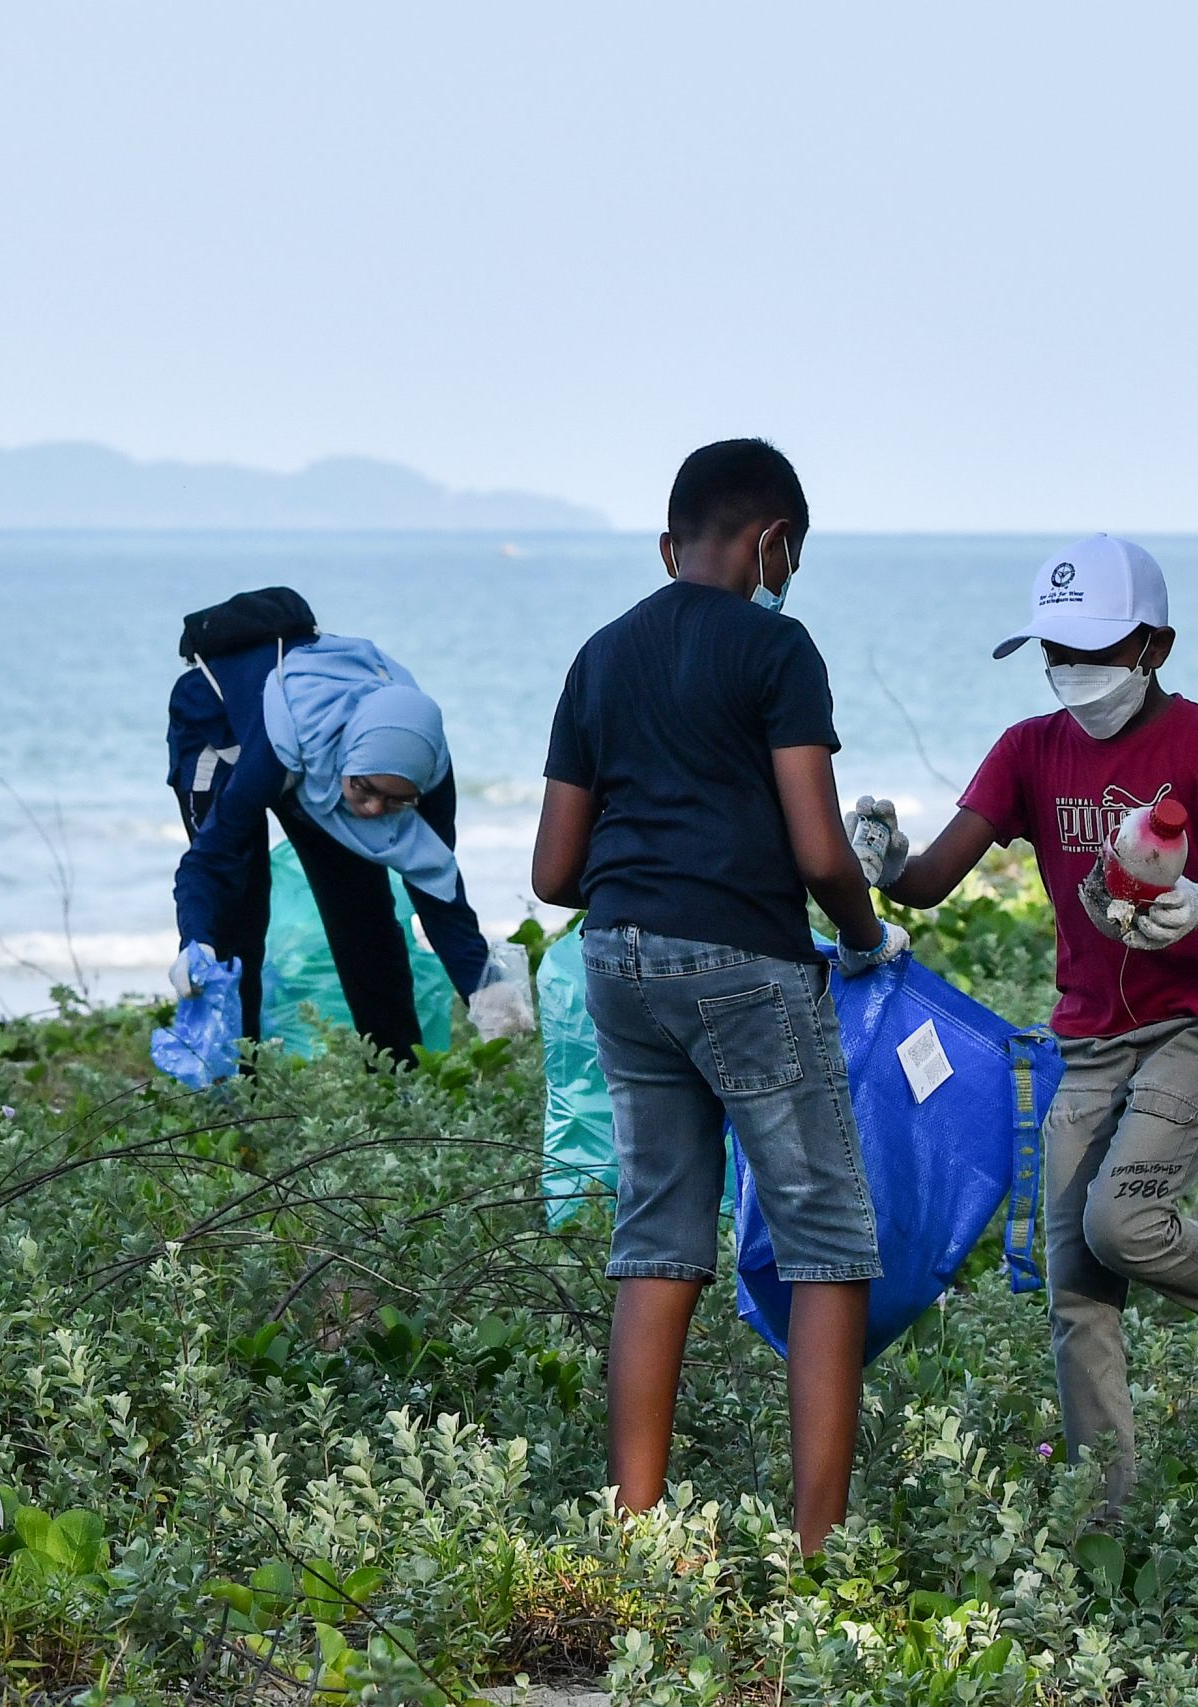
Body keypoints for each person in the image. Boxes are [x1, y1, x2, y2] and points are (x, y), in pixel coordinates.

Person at [841, 534, 1198, 1516]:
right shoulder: (1028, 750)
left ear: (1153, 644)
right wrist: (879, 859)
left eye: (1093, 648)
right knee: (1074, 1278)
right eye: (1054, 650)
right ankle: (1102, 1520)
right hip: (1086, 1037)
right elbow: (931, 881)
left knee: (1124, 1220)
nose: (1071, 671)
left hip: (1196, 1025)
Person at [529, 438, 907, 1557]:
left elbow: (552, 875)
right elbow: (817, 842)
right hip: (744, 964)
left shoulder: (600, 656)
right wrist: (860, 930)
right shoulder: (777, 647)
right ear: (774, 542)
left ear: (668, 543)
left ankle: (634, 1536)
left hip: (618, 963)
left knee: (656, 1238)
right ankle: (816, 1553)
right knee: (827, 1242)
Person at [168, 592, 529, 1065]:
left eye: (395, 798)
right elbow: (210, 860)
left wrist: (488, 994)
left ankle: (395, 1076)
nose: (375, 810)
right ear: (351, 763)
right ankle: (238, 1079)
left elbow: (439, 890)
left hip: (329, 763)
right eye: (368, 789)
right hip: (224, 729)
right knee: (235, 910)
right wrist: (194, 940)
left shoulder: (425, 768)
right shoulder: (279, 756)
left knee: (365, 917)